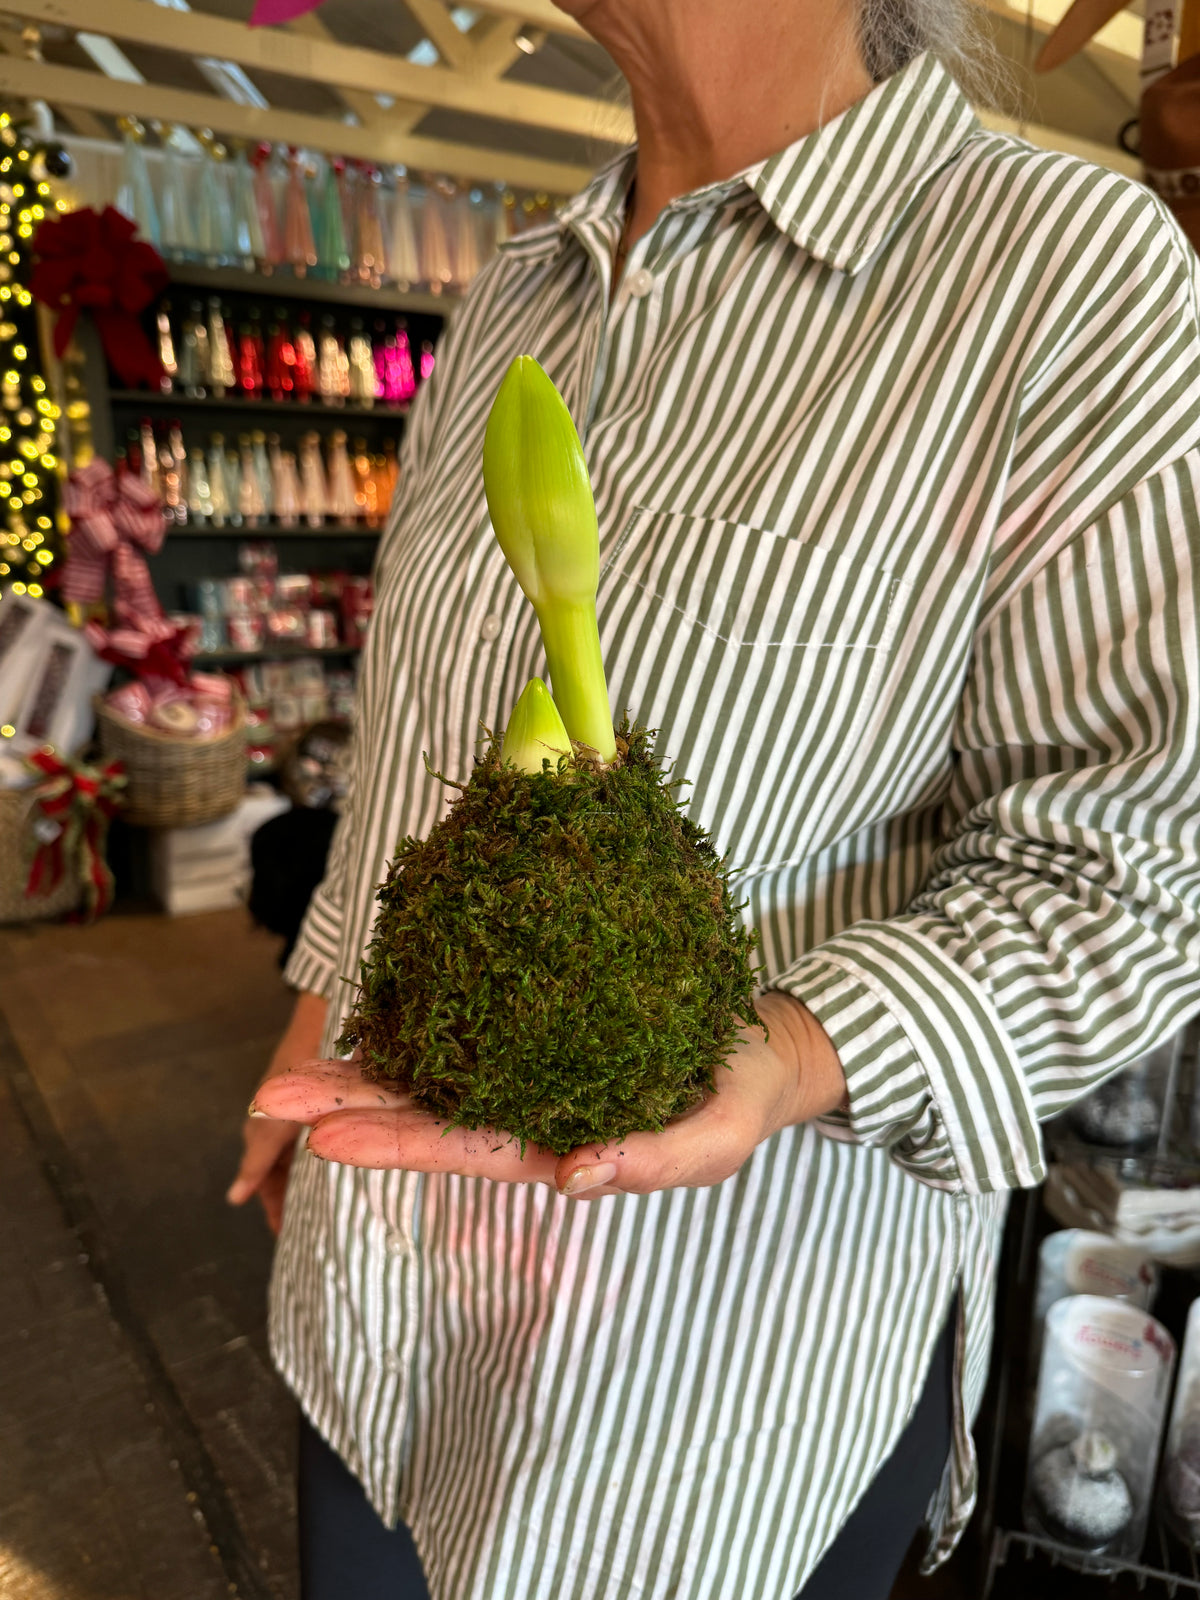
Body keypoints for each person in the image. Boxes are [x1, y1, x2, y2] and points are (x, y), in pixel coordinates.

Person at [228, 0, 1200, 1592]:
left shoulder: (1055, 269)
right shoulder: (521, 291)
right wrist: (320, 1003)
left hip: (708, 1410)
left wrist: (787, 1053)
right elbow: (421, 731)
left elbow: (1137, 865)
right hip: (382, 1314)